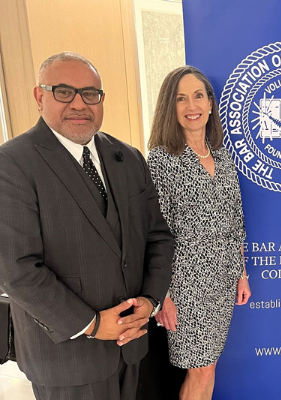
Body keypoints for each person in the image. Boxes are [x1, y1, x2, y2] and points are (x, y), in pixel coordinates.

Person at [0, 52, 173, 400]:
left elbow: (158, 237)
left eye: (90, 93)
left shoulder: (128, 157)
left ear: (101, 99)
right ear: (39, 97)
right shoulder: (12, 164)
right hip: (67, 358)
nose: (79, 104)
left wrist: (151, 300)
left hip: (131, 345)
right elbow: (16, 269)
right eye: (64, 91)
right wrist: (92, 325)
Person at [146, 65, 250, 400]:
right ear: (170, 107)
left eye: (198, 96)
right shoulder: (161, 160)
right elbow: (153, 232)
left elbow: (236, 223)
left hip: (222, 281)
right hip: (185, 283)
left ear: (210, 103)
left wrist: (242, 274)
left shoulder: (222, 156)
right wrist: (162, 294)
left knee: (210, 366)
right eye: (181, 98)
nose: (192, 106)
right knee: (200, 368)